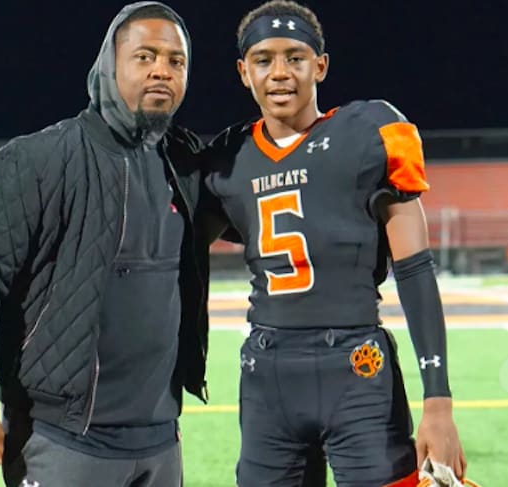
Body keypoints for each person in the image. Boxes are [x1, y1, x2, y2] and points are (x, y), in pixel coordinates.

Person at [0, 3, 212, 486]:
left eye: (176, 61)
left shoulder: (186, 165)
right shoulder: (39, 159)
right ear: (109, 64)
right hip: (62, 439)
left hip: (161, 440)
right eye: (144, 55)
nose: (161, 70)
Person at [202, 1, 472, 486]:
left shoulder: (367, 133)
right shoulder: (227, 158)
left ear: (320, 65)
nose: (280, 73)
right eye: (263, 59)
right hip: (267, 377)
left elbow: (414, 270)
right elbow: (173, 261)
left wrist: (438, 400)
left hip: (356, 372)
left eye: (295, 57)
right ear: (244, 72)